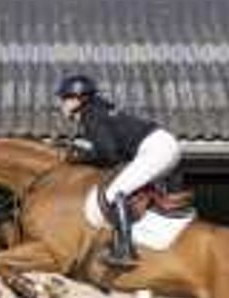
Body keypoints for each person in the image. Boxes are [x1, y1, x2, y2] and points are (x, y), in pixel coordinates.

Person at [55, 74, 182, 268]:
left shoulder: (91, 115)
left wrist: (76, 157)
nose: (61, 104)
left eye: (65, 98)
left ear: (78, 99)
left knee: (114, 193)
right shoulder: (98, 110)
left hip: (155, 148)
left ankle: (125, 250)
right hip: (161, 145)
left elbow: (109, 154)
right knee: (130, 188)